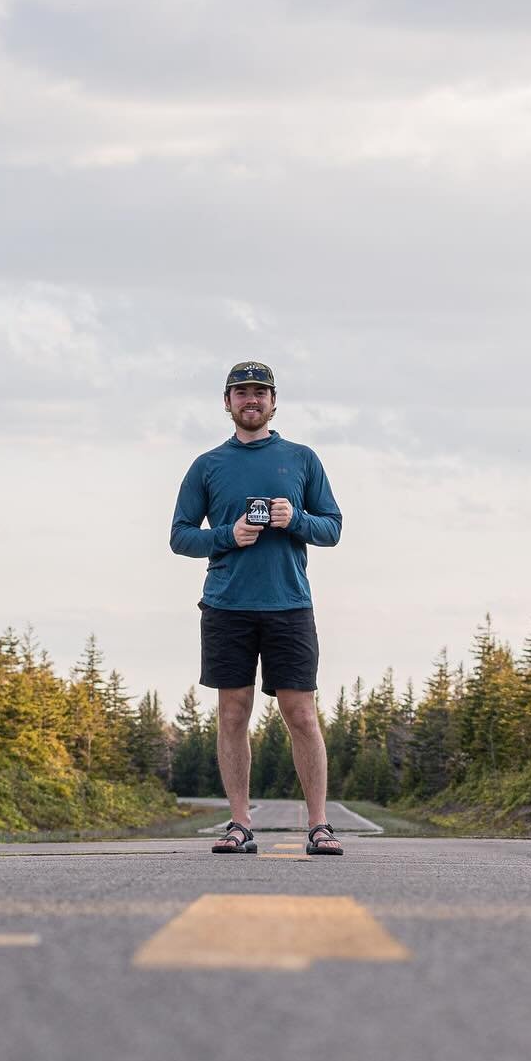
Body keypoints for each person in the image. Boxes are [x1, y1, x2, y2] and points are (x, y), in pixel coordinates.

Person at [169, 361, 345, 857]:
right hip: (227, 606)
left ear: (273, 402)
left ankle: (319, 826)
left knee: (301, 714)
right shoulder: (207, 466)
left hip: (289, 604)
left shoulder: (302, 458)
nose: (251, 400)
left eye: (260, 393)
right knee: (232, 714)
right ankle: (240, 824)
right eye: (241, 392)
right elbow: (180, 536)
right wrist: (229, 535)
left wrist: (298, 520)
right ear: (226, 403)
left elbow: (333, 528)